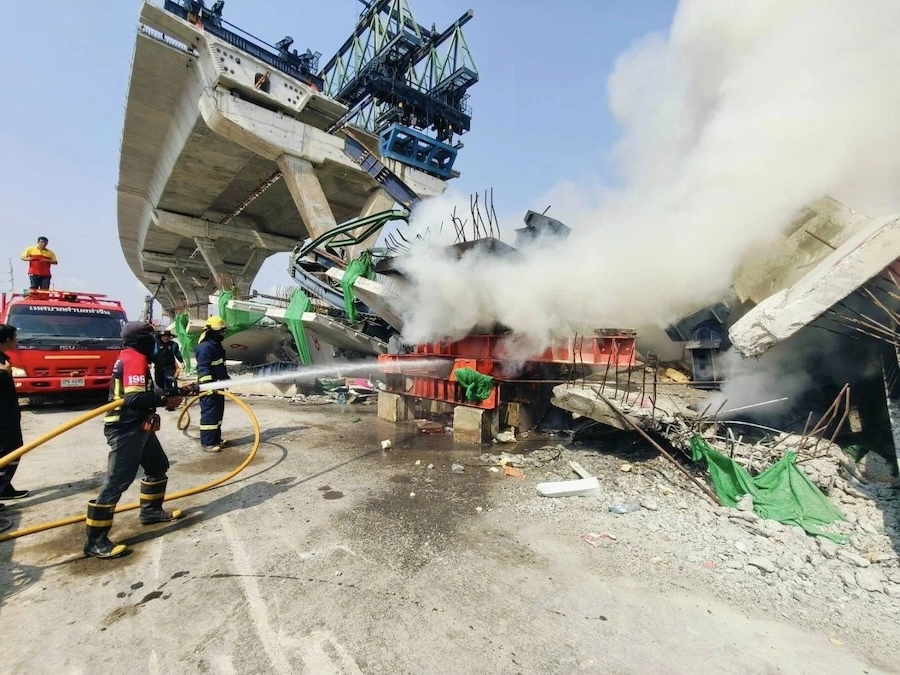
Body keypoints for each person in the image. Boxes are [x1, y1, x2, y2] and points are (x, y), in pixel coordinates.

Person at [84, 322, 185, 559]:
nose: (156, 342)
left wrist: (164, 397)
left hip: (139, 424)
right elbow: (134, 398)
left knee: (158, 466)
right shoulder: (134, 358)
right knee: (118, 480)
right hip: (126, 428)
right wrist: (164, 401)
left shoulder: (133, 355)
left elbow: (141, 392)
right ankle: (95, 540)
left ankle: (151, 512)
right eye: (152, 338)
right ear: (142, 340)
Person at [0, 324, 28, 507]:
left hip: (9, 413)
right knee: (8, 450)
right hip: (2, 416)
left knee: (13, 448)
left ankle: (5, 488)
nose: (16, 341)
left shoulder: (3, 359)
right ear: (7, 340)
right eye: (14, 337)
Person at [195, 316, 229, 452]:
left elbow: (220, 366)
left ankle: (215, 439)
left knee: (217, 414)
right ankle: (207, 443)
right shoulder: (205, 348)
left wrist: (225, 379)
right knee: (210, 414)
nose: (222, 334)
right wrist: (208, 387)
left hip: (218, 386)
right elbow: (204, 369)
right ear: (213, 332)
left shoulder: (215, 346)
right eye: (220, 331)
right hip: (209, 387)